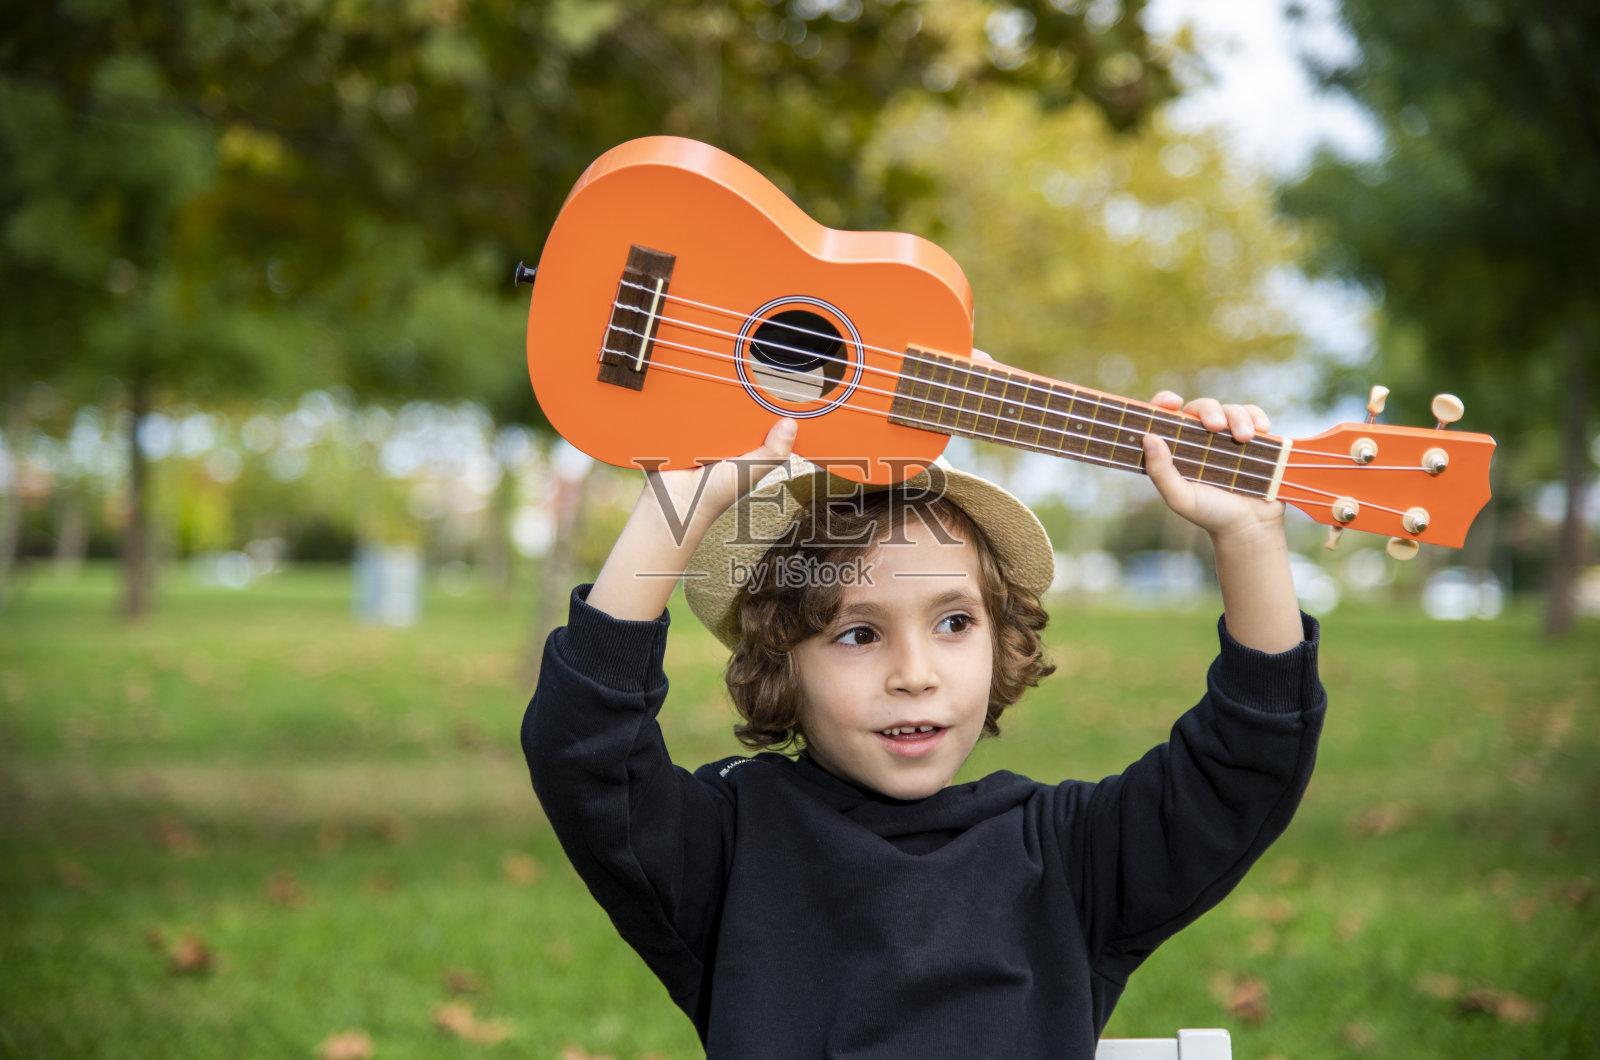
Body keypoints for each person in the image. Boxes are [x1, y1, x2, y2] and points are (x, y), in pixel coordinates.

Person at [523, 381, 1325, 1059]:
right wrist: (675, 509)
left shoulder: (1072, 855)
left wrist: (1250, 536)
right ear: (781, 664)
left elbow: (1242, 765)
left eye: (953, 623)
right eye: (858, 634)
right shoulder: (728, 848)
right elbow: (582, 746)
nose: (915, 674)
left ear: (1000, 639)